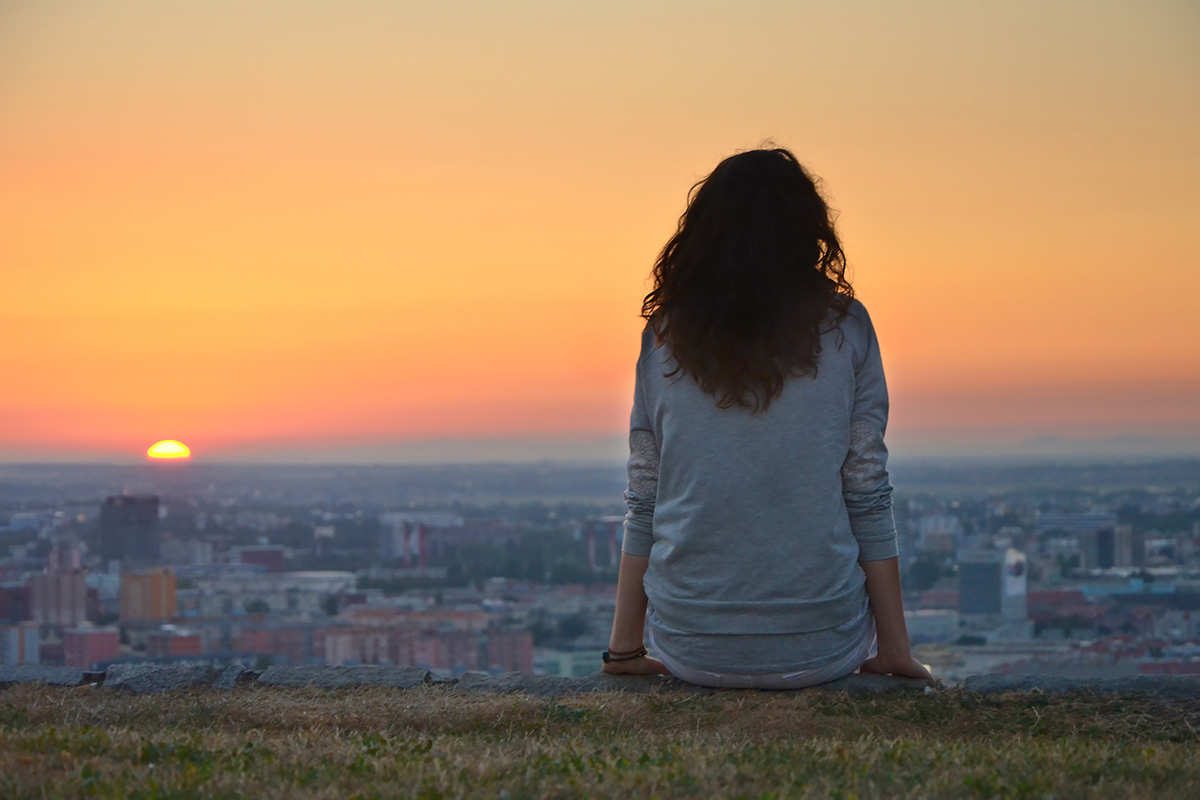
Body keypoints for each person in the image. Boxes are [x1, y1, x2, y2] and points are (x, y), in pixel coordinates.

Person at [601, 147, 932, 688]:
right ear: (808, 230)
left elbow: (646, 496)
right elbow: (866, 491)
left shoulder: (663, 336)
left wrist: (623, 650)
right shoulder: (847, 327)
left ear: (702, 235)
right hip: (823, 639)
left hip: (690, 639)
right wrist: (894, 650)